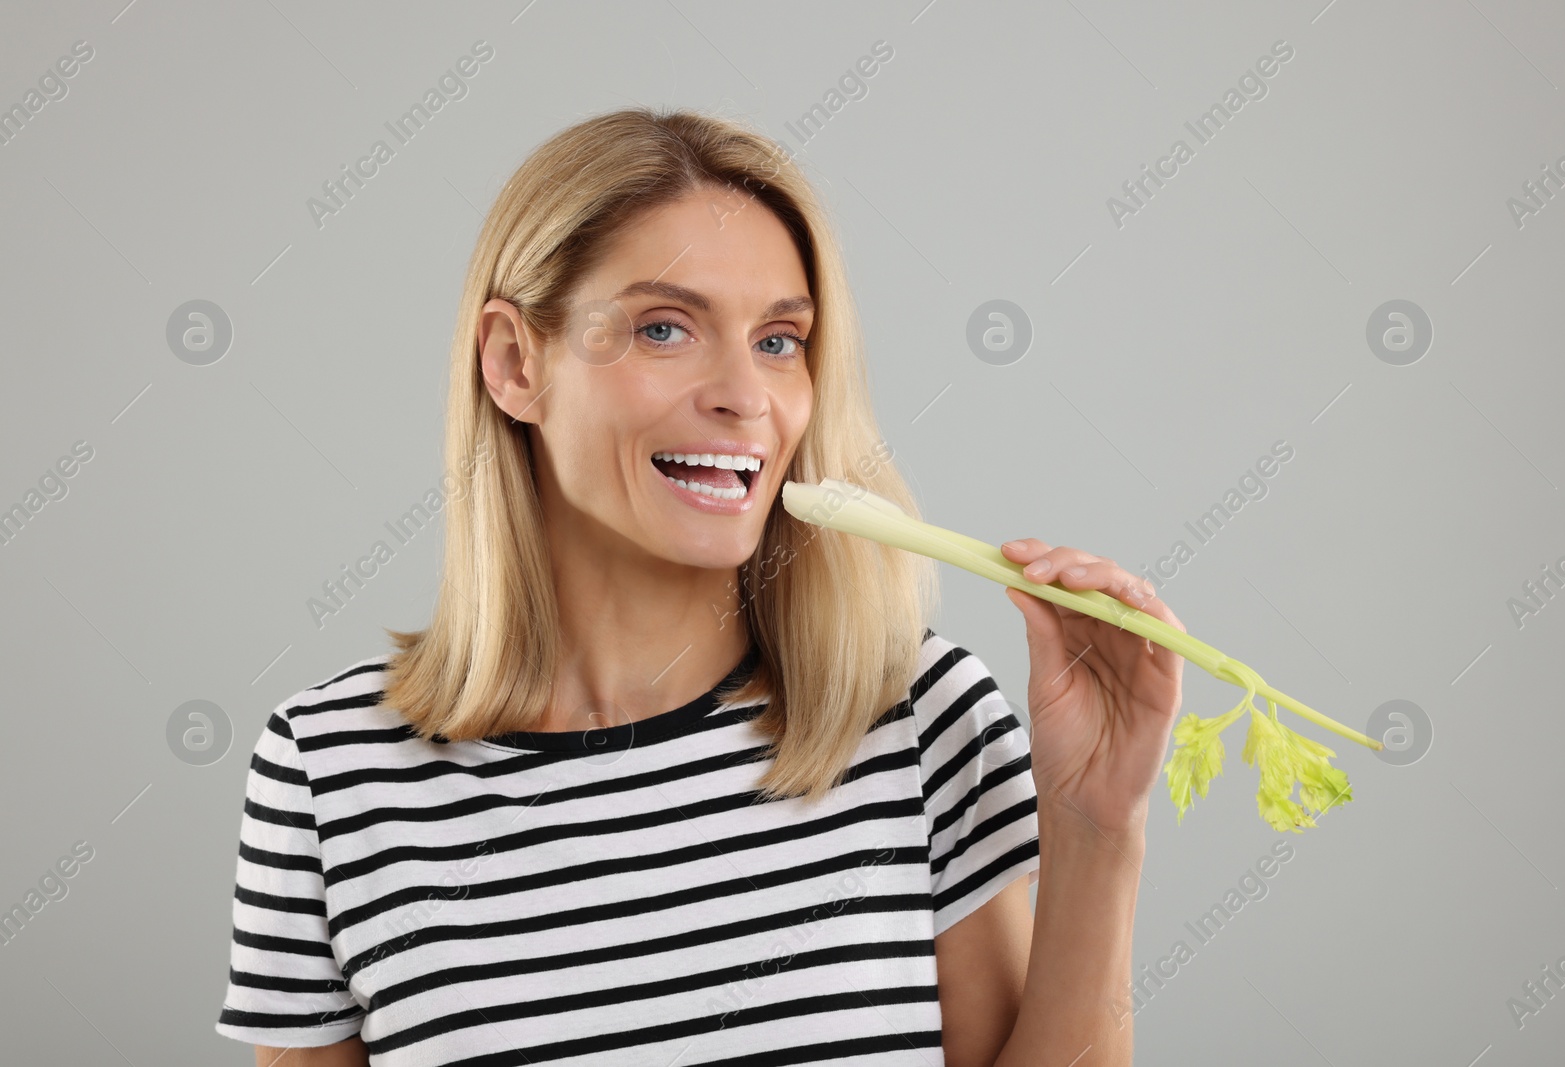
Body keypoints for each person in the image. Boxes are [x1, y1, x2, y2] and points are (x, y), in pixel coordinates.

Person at [215, 106, 1185, 1067]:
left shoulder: (917, 717)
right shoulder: (326, 773)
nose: (745, 396)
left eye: (778, 340)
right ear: (515, 362)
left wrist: (1098, 828)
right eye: (665, 327)